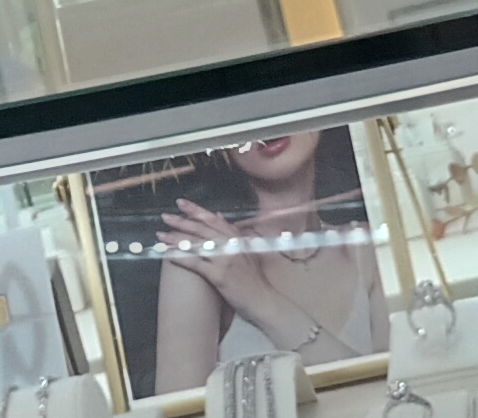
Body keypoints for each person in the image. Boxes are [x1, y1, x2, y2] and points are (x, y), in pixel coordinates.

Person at [135, 130, 384, 395]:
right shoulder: (203, 258)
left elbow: (394, 399)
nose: (266, 127)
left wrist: (258, 297)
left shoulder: (368, 246)